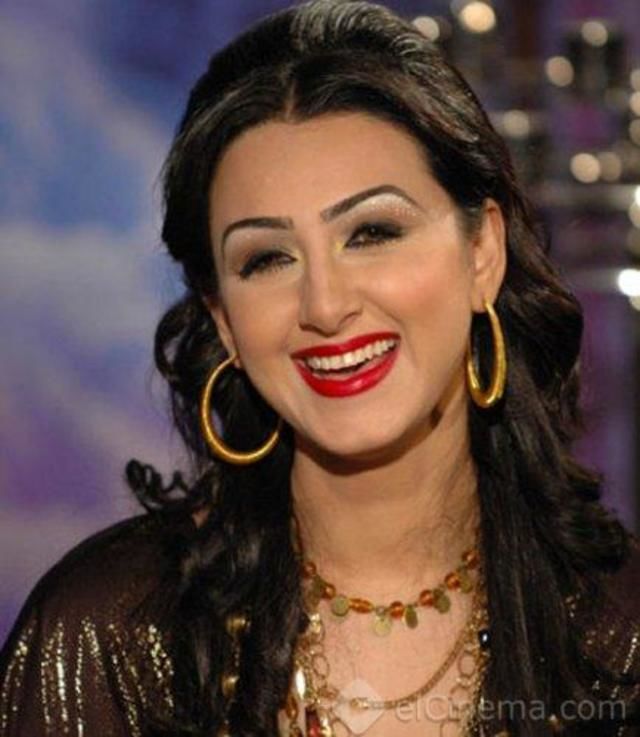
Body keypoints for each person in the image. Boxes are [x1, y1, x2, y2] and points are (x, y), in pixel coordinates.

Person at [1, 1, 640, 735]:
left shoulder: (619, 632)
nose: (326, 306)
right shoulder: (109, 637)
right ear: (222, 318)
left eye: (372, 232)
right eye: (267, 258)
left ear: (481, 252)